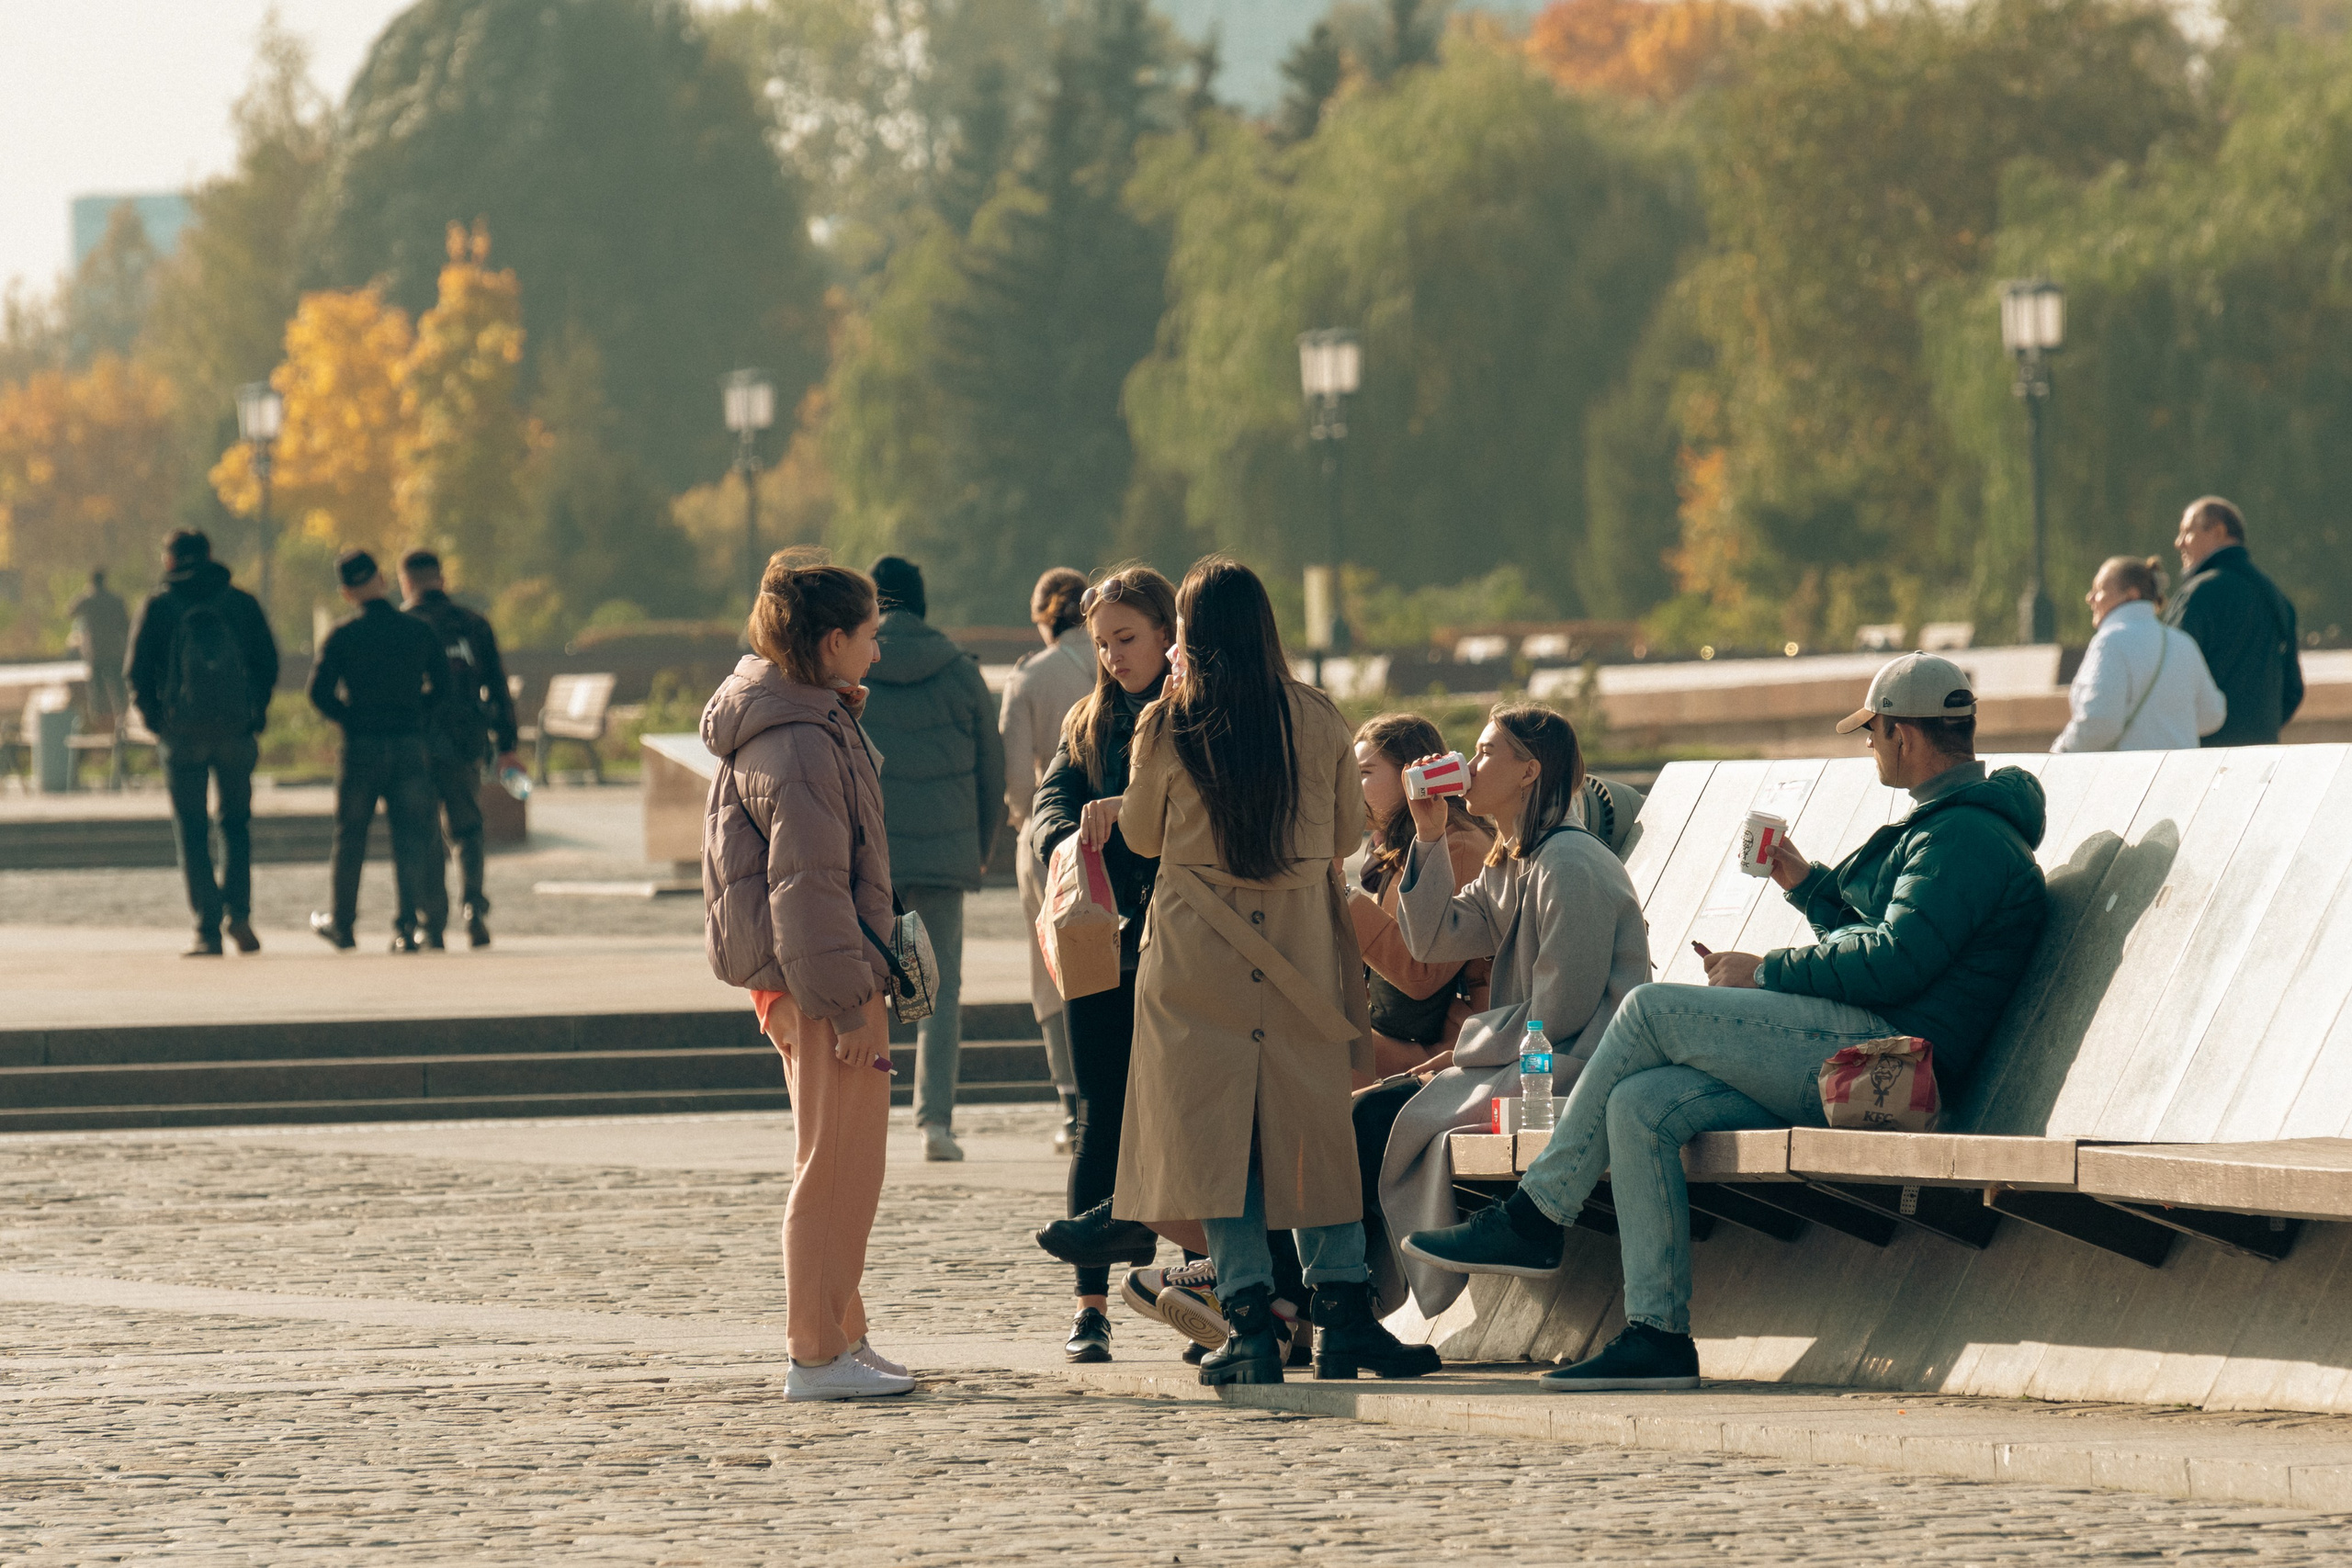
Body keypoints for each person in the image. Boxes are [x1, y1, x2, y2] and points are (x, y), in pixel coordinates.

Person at [1402, 652, 2050, 1392]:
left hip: (1885, 1062)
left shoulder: (1961, 837)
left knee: (1650, 1008)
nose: (1870, 744)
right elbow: (1893, 934)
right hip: (1864, 1049)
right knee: (1638, 1105)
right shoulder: (1949, 829)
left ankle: (1539, 1210)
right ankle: (1657, 1334)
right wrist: (1805, 884)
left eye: (1874, 731)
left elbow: (1896, 960)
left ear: (1903, 733)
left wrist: (1765, 969)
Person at [1114, 556, 1437, 1386]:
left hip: (1196, 957)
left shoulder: (1167, 723)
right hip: (1297, 947)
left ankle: (1250, 1325)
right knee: (1313, 1129)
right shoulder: (1320, 719)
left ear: (1189, 635)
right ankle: (1345, 1319)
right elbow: (1339, 832)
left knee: (1216, 1138)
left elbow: (1144, 836)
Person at [701, 552, 913, 1403]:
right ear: (831, 640)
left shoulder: (801, 717)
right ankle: (816, 1349)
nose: (875, 651)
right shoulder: (799, 738)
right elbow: (810, 886)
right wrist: (845, 1003)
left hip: (821, 971)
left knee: (846, 1161)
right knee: (833, 1165)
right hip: (827, 977)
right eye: (869, 636)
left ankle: (840, 1332)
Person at [1373, 706, 1650, 1318]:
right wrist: (1427, 834)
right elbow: (1432, 941)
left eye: (1484, 752)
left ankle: (1337, 1302)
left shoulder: (1571, 863)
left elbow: (1561, 1014)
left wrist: (1466, 1044)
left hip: (1575, 1068)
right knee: (1365, 1116)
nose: (1469, 766)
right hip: (1524, 1065)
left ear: (1530, 770)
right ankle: (1328, 1297)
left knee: (1371, 1121)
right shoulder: (1514, 859)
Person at [1023, 566, 1184, 1363]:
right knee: (1100, 1115)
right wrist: (1065, 835)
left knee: (1190, 1116)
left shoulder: (1194, 714)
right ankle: (1090, 1305)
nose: (1115, 655)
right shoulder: (1086, 721)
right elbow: (1047, 804)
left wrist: (1131, 811)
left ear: (1166, 633)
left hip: (1185, 944)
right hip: (1104, 943)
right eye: (1102, 643)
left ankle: (1203, 1284)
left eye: (1127, 638)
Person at [859, 555, 1008, 1163]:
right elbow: (992, 767)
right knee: (938, 987)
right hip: (946, 855)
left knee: (865, 982)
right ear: (922, 602)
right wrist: (977, 849)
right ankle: (934, 1123)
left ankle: (863, 1113)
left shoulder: (854, 666)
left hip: (872, 856)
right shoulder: (958, 669)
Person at [125, 531, 279, 957]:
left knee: (192, 831)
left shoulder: (159, 606)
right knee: (236, 825)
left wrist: (159, 723)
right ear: (209, 557)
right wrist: (255, 715)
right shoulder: (240, 603)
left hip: (183, 735)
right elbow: (268, 662)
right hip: (235, 732)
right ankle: (240, 914)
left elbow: (135, 672)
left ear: (171, 560)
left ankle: (207, 929)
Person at [307, 548, 451, 953]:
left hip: (361, 748)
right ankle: (408, 926)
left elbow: (318, 692)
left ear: (347, 592)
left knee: (350, 836)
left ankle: (343, 923)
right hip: (408, 744)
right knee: (411, 836)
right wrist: (415, 715)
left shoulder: (343, 635)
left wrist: (350, 717)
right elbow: (442, 687)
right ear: (383, 581)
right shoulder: (417, 632)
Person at [1001, 567, 1095, 1155]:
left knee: (1054, 974)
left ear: (1043, 618)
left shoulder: (1031, 676)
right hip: (1126, 828)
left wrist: (1024, 820)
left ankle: (1071, 1104)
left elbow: (1017, 781)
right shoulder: (1126, 662)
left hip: (1050, 834)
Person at [1347, 714, 1496, 1083]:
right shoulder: (1400, 845)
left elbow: (1421, 974)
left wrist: (1343, 900)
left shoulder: (1457, 845)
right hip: (1403, 1031)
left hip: (1443, 1046)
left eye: (1364, 774)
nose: (1349, 786)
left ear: (1410, 777)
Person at [400, 550, 522, 947]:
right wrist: (507, 744)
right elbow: (498, 688)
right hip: (466, 740)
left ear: (406, 582)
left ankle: (432, 921)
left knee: (426, 830)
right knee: (467, 827)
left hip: (416, 741)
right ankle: (473, 908)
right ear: (441, 578)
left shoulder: (403, 625)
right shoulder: (473, 624)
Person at [2165, 496, 2303, 747]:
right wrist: (2255, 727)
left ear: (2218, 531)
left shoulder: (2198, 594)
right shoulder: (2276, 597)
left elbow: (2168, 675)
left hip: (2204, 757)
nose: (2178, 543)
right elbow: (2293, 689)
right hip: (2261, 756)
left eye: (2187, 532)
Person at [2052, 556, 2225, 752]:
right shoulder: (2182, 642)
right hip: (2182, 775)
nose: (2090, 598)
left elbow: (2099, 722)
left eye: (2099, 590)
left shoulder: (2110, 642)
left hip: (2130, 776)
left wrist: (2060, 752)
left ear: (2131, 595)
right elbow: (2212, 715)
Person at [69, 568, 131, 729]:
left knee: (97, 688)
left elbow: (70, 611)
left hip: (95, 652)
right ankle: (122, 717)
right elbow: (126, 625)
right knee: (118, 685)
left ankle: (101, 720)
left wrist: (85, 592)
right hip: (115, 650)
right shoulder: (116, 600)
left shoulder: (88, 599)